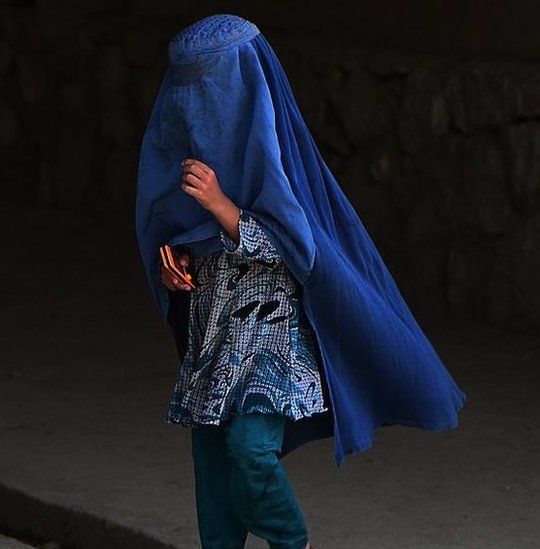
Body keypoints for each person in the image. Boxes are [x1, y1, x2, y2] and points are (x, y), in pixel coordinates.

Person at [134, 14, 465, 549]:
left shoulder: (277, 152)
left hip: (271, 341)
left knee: (250, 449)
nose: (197, 107)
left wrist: (224, 208)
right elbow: (172, 228)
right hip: (213, 340)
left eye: (211, 87)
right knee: (213, 469)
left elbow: (301, 248)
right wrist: (173, 264)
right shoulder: (183, 162)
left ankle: (292, 543)